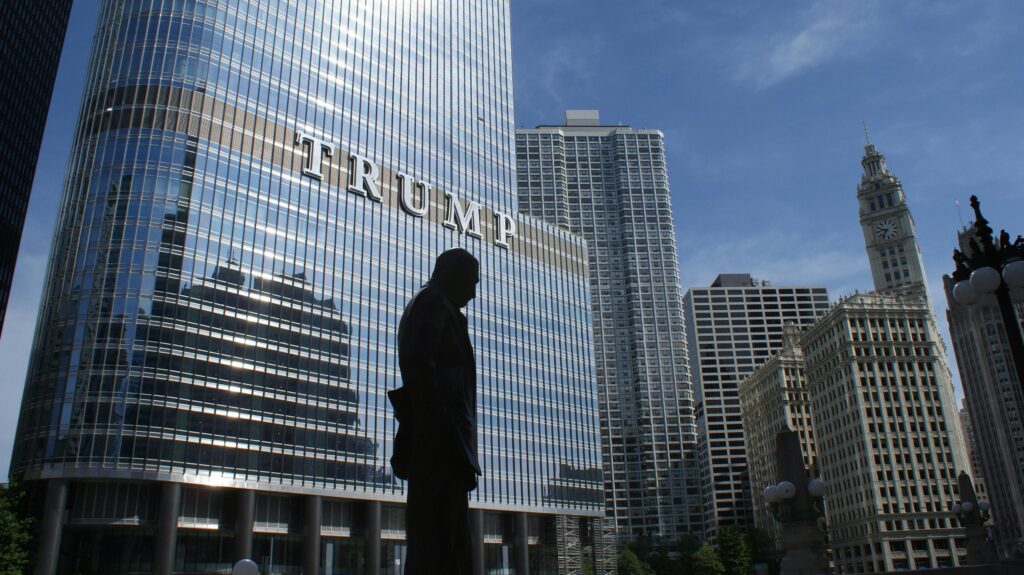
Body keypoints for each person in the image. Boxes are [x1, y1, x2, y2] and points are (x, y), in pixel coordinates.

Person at [390, 248, 481, 575]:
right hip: (439, 444)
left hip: (448, 445)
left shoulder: (442, 308)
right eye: (471, 282)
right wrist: (440, 430)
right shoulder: (431, 305)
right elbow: (419, 370)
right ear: (452, 276)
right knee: (438, 542)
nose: (473, 292)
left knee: (452, 542)